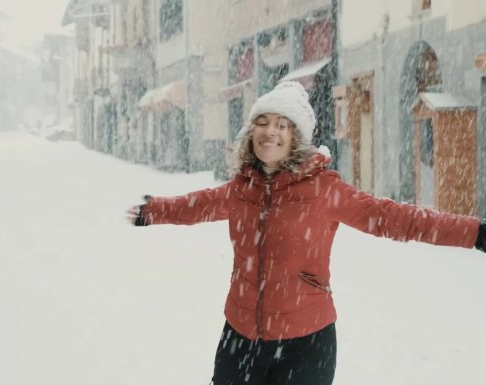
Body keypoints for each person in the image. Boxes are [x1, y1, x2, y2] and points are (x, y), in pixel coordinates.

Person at [127, 81, 486, 385]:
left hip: (306, 344)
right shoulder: (242, 188)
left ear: (296, 136)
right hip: (240, 338)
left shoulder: (322, 189)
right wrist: (153, 210)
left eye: (282, 125)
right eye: (263, 122)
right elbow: (197, 205)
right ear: (251, 132)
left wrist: (473, 233)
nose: (271, 131)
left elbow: (395, 218)